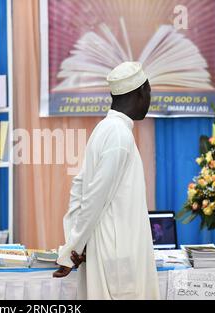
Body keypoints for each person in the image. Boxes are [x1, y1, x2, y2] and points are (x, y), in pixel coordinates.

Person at [53, 61, 160, 300]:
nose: (150, 99)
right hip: (118, 251)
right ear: (141, 92)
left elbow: (79, 188)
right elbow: (93, 198)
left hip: (111, 247)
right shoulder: (119, 135)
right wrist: (73, 248)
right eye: (150, 92)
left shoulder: (105, 128)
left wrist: (73, 243)